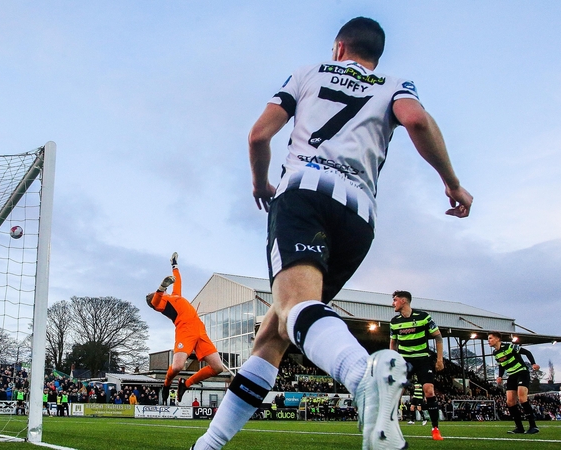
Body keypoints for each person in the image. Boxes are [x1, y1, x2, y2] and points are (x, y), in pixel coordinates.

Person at [191, 16, 472, 450]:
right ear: (374, 55)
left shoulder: (309, 73)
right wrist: (452, 183)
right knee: (272, 335)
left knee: (292, 309)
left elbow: (257, 135)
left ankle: (364, 379)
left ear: (339, 47)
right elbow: (416, 121)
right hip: (360, 217)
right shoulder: (394, 84)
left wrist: (260, 183)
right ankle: (207, 445)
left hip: (305, 192)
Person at [147, 252, 229, 405]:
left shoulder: (174, 295)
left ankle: (186, 384)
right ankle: (166, 384)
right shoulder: (160, 303)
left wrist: (174, 265)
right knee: (178, 366)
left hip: (200, 330)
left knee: (218, 368)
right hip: (185, 331)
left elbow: (178, 281)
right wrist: (161, 287)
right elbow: (156, 300)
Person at [390, 290, 444, 440]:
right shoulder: (394, 322)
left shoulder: (423, 317)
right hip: (404, 360)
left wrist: (440, 359)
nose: (392, 303)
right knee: (395, 391)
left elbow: (438, 337)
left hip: (422, 359)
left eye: (395, 300)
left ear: (403, 301)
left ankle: (435, 429)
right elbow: (393, 342)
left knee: (429, 390)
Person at [488, 332, 540, 434]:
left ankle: (533, 426)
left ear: (498, 339)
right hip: (511, 375)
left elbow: (527, 352)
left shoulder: (509, 346)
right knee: (510, 402)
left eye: (490, 338)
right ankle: (519, 427)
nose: (488, 341)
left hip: (521, 372)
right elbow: (502, 365)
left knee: (522, 398)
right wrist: (500, 376)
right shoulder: (495, 353)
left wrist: (533, 364)